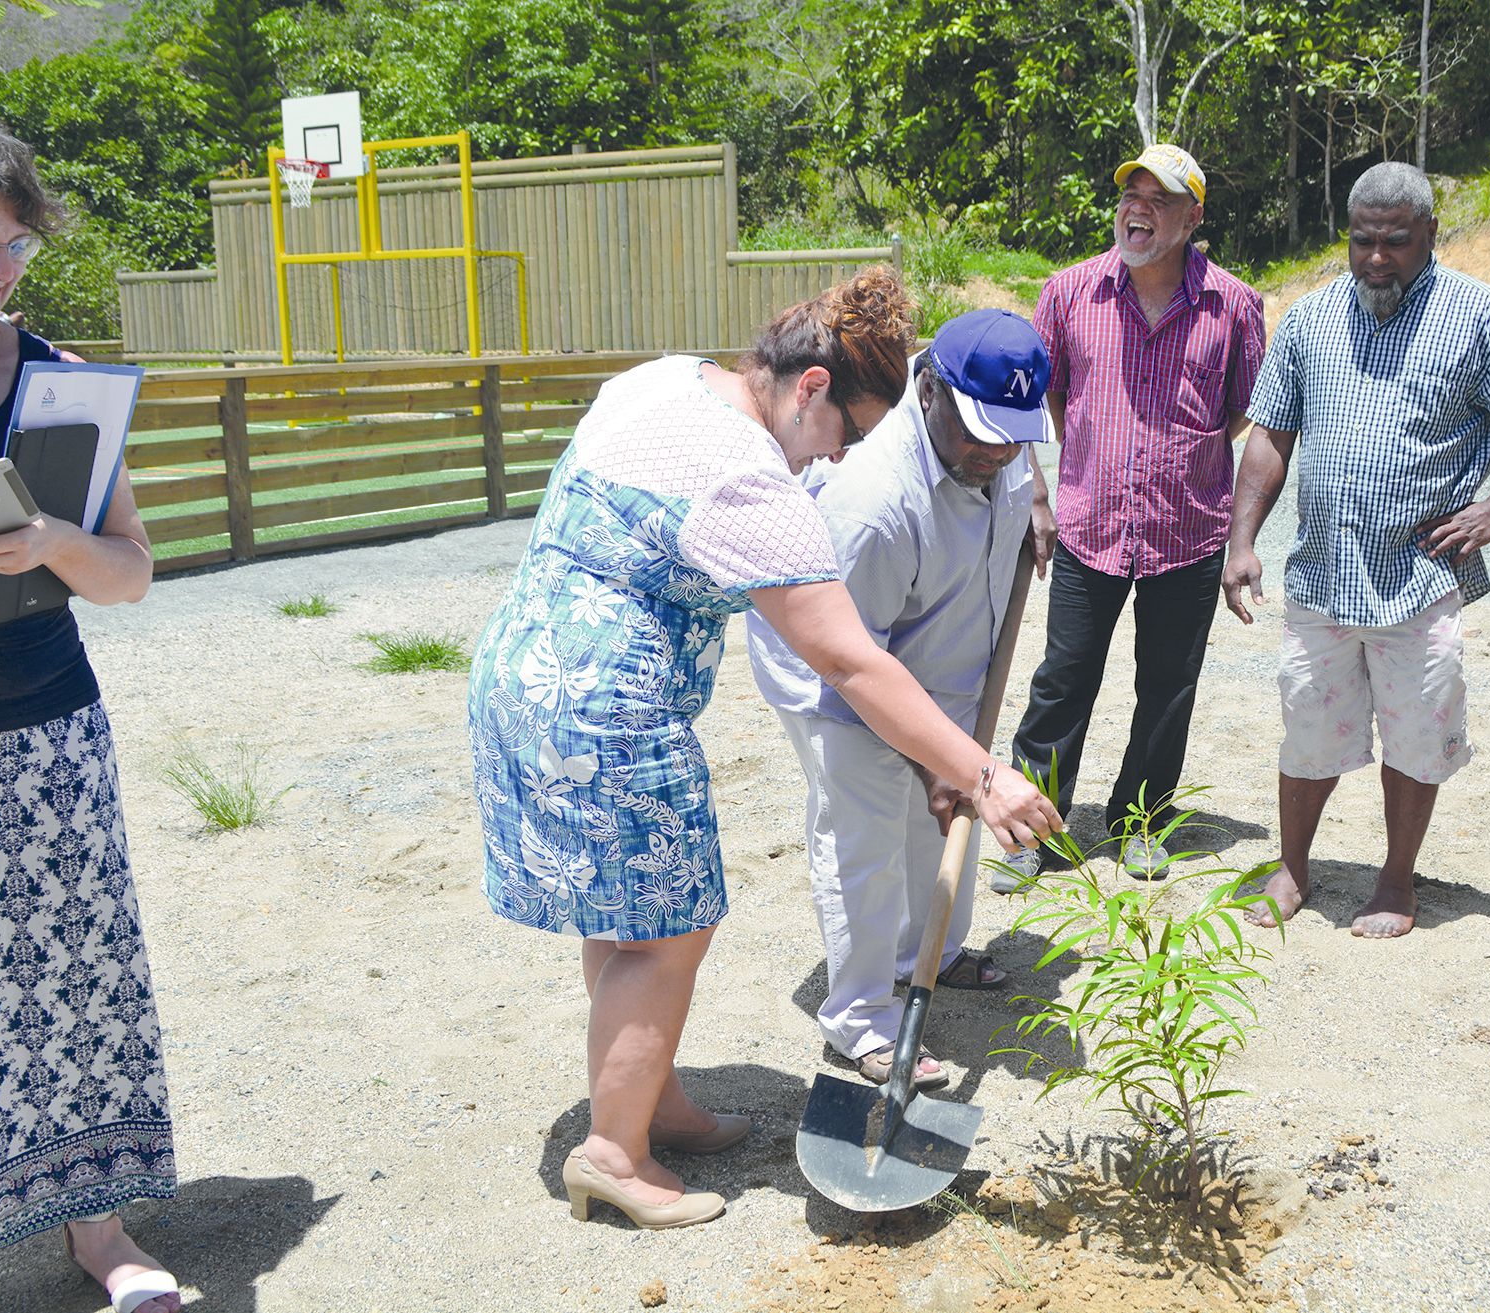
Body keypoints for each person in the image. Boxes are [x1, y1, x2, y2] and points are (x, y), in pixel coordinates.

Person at [466, 269, 1062, 1231]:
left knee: (627, 915)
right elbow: (851, 663)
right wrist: (982, 775)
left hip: (522, 673)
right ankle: (614, 1150)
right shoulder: (753, 478)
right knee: (668, 930)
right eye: (849, 434)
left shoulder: (664, 380)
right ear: (812, 391)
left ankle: (648, 1094)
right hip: (607, 708)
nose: (840, 457)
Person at [0, 106, 180, 1313]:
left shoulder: (61, 385)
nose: (2, 268)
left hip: (38, 734)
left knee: (70, 987)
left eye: (17, 245)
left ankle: (101, 1230)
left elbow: (131, 571)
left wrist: (43, 539)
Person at [1225, 160, 1490, 939]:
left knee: (1417, 731)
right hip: (1320, 572)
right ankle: (1293, 867)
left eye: (1395, 242)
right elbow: (1271, 435)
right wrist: (1240, 539)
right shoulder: (1312, 319)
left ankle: (1394, 877)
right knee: (1306, 724)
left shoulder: (1487, 318)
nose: (1376, 259)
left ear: (1429, 236)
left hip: (1421, 577)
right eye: (1361, 242)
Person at [748, 307, 1050, 1088]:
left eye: (1014, 434)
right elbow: (854, 669)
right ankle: (861, 1019)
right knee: (868, 837)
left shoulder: (998, 440)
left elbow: (1017, 456)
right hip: (841, 682)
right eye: (982, 432)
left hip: (944, 660)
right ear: (928, 390)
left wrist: (1035, 501)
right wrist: (932, 765)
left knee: (948, 815)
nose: (999, 451)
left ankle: (936, 951)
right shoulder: (874, 505)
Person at [995, 142, 1265, 887]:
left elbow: (1244, 408)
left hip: (1188, 527)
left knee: (1168, 684)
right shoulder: (1069, 292)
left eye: (1158, 196)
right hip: (1089, 524)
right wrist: (1040, 495)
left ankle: (1139, 821)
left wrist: (1183, 451)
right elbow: (1036, 400)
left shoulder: (1233, 303)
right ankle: (1032, 832)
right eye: (1129, 193)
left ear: (1191, 216)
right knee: (1062, 680)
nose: (1136, 207)